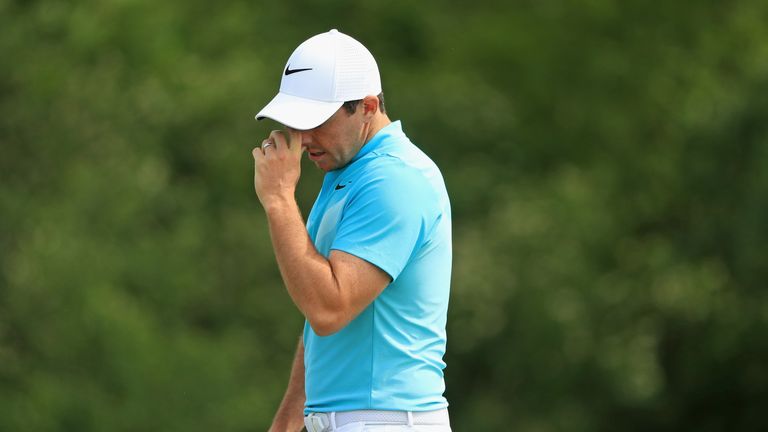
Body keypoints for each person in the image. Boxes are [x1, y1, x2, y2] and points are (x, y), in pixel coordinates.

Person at [252, 29, 453, 432]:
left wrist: (278, 199)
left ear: (366, 106)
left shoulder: (395, 179)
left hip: (387, 422)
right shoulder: (351, 173)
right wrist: (287, 424)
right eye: (296, 122)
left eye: (316, 122)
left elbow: (330, 308)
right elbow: (318, 324)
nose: (303, 139)